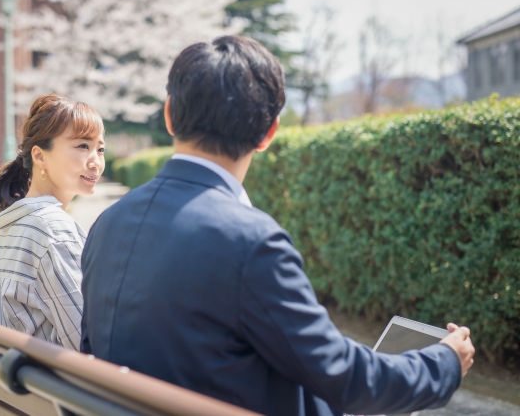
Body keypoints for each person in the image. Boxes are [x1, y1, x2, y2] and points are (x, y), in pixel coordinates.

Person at [79, 36, 475, 415]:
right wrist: (444, 362)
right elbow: (347, 380)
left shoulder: (107, 223)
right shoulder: (250, 241)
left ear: (168, 114)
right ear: (269, 133)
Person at [0, 94, 105, 351]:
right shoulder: (53, 228)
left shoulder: (18, 222)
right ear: (40, 156)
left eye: (100, 149)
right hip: (47, 388)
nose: (95, 161)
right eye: (82, 146)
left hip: (10, 380)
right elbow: (87, 344)